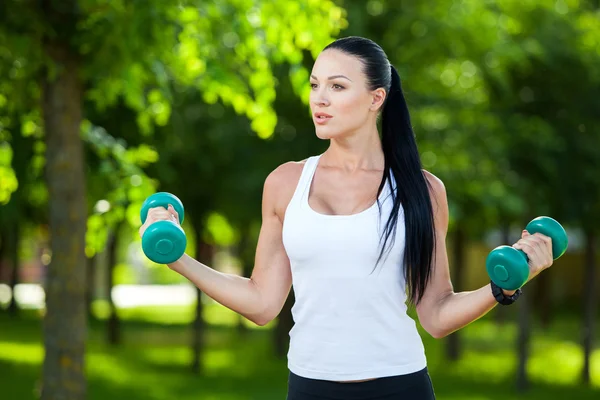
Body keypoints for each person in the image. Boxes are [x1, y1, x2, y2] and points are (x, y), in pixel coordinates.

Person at [139, 36, 555, 400]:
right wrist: (176, 257)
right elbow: (262, 303)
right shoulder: (286, 183)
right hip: (310, 387)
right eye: (315, 85)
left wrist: (503, 287)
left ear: (376, 98)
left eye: (337, 87)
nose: (319, 99)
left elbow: (436, 314)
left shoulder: (422, 190)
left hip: (400, 386)